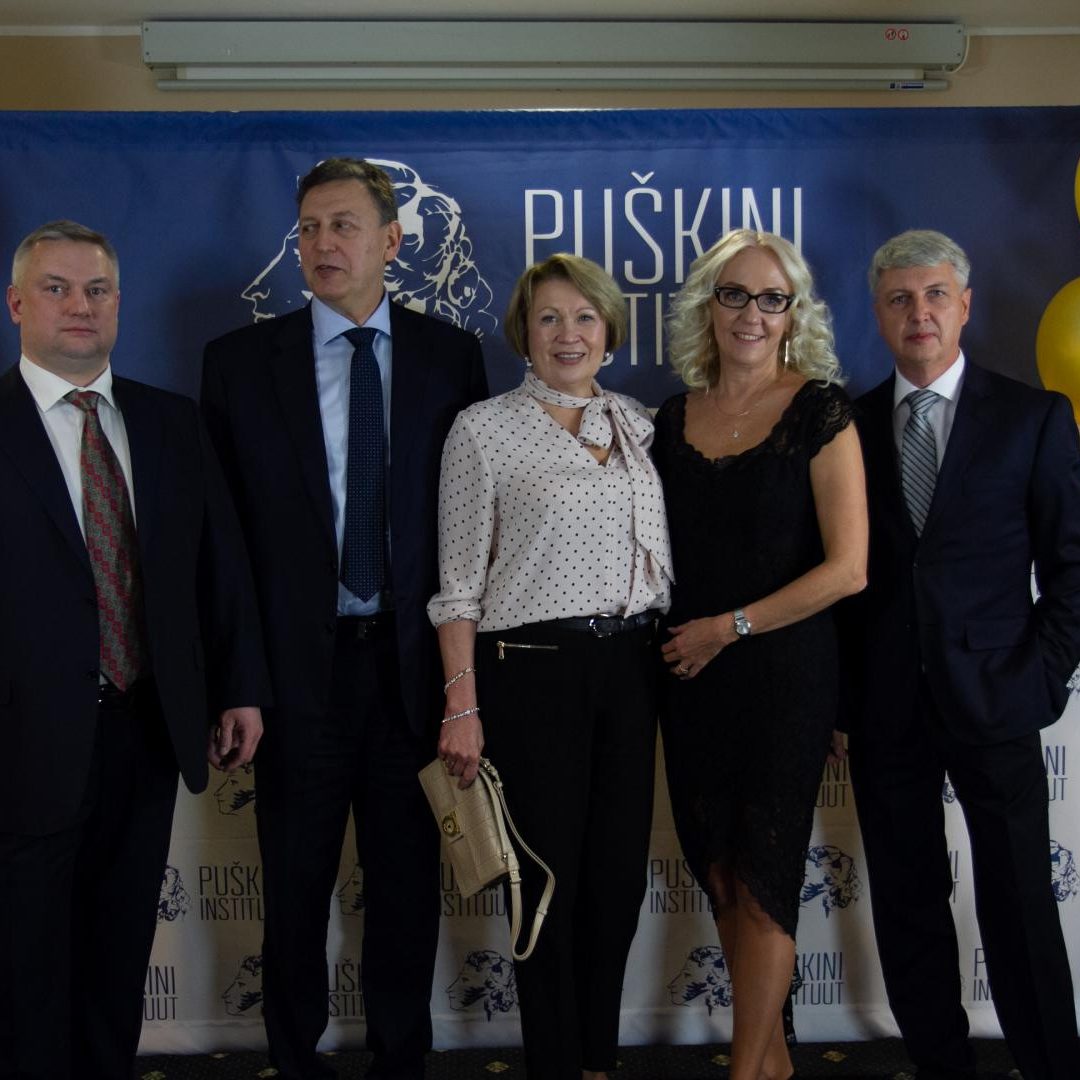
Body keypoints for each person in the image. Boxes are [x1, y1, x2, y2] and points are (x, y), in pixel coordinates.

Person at [201, 158, 487, 1080]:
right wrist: (239, 680)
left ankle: (401, 1060)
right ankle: (295, 1059)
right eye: (309, 228)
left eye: (344, 226)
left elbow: (470, 530)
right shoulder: (238, 365)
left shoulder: (451, 357)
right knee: (294, 891)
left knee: (407, 889)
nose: (323, 244)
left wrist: (462, 688)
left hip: (410, 670)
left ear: (391, 241)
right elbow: (224, 545)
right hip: (295, 679)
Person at [0, 220, 269, 1080]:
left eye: (97, 290)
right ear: (16, 304)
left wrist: (238, 687)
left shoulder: (171, 423)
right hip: (22, 738)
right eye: (56, 288)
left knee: (118, 951)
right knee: (25, 960)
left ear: (120, 303)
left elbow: (220, 568)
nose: (79, 305)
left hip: (147, 727)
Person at [839, 229, 1080, 1080]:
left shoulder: (1033, 417)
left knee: (1020, 904)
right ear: (879, 314)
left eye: (936, 294)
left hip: (998, 697)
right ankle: (940, 1067)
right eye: (901, 299)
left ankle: (1051, 1066)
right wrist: (842, 701)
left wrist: (1041, 676)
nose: (920, 313)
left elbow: (1072, 565)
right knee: (908, 905)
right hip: (886, 710)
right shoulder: (847, 427)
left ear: (966, 305)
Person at [428, 253, 674, 1080]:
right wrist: (462, 704)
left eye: (585, 317)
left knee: (616, 878)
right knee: (544, 883)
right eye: (549, 318)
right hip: (531, 672)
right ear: (523, 334)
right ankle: (555, 1065)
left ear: (610, 330)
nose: (569, 334)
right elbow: (458, 587)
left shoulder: (640, 425)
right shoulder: (482, 429)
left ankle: (597, 1062)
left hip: (631, 668)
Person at [652, 229, 867, 1080]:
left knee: (767, 877)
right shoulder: (671, 418)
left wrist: (729, 627)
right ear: (709, 306)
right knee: (721, 874)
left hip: (784, 679)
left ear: (793, 313)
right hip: (691, 683)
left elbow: (849, 570)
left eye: (772, 299)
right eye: (734, 294)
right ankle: (773, 1063)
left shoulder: (821, 410)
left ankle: (745, 1073)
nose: (752, 313)